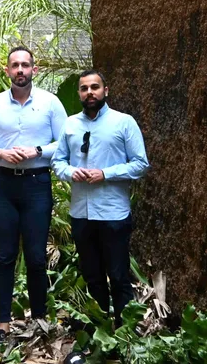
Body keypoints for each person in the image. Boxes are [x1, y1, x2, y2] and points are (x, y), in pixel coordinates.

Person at [0, 47, 68, 344]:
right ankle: (2, 324)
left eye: (25, 65)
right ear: (8, 71)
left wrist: (38, 150)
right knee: (4, 256)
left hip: (37, 183)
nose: (20, 70)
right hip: (2, 184)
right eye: (15, 65)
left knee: (37, 257)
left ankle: (38, 320)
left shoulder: (51, 104)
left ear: (34, 70)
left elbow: (66, 142)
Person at [51, 70, 149, 326]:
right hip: (81, 214)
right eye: (84, 88)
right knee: (92, 275)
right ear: (80, 93)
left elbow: (140, 164)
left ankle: (125, 332)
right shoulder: (70, 124)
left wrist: (105, 173)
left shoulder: (123, 122)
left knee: (118, 275)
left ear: (106, 90)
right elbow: (58, 162)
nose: (89, 92)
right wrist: (73, 172)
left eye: (95, 87)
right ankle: (98, 332)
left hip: (113, 213)